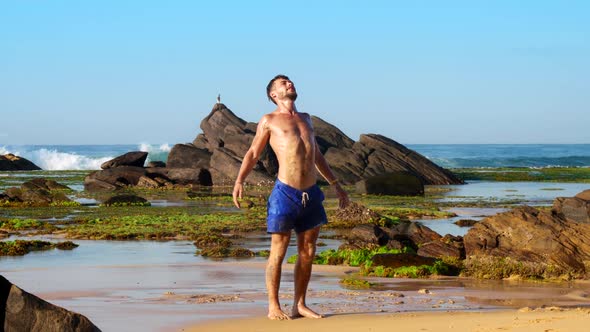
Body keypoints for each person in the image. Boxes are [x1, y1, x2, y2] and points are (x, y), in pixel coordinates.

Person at [232, 74, 349, 320]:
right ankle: (273, 306)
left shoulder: (307, 119)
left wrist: (336, 184)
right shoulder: (269, 120)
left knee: (308, 250)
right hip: (285, 193)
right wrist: (240, 180)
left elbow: (316, 154)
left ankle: (300, 304)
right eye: (283, 83)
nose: (290, 84)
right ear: (273, 95)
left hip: (312, 194)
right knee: (279, 250)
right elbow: (253, 152)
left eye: (290, 81)